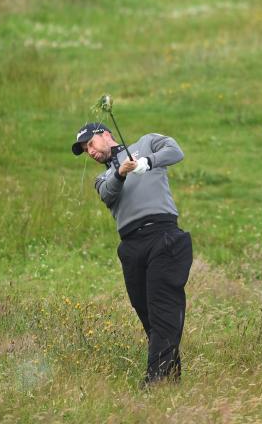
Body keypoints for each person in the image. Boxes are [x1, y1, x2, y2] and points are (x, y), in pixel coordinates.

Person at [72, 122, 193, 385]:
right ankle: (170, 378)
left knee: (163, 310)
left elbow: (175, 151)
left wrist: (146, 162)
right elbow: (108, 193)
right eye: (85, 150)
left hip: (164, 236)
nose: (90, 152)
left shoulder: (146, 143)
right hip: (132, 247)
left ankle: (155, 381)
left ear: (105, 135)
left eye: (90, 144)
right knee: (147, 313)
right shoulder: (103, 178)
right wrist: (121, 171)